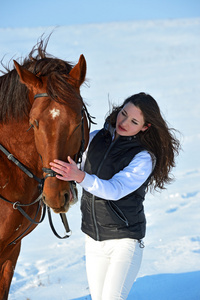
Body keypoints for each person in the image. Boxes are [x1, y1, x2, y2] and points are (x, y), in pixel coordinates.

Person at [50, 92, 180, 300]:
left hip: (124, 241)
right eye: (124, 113)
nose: (124, 122)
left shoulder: (143, 157)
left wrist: (81, 176)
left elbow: (114, 190)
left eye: (134, 121)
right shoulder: (95, 138)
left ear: (145, 127)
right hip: (93, 239)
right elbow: (76, 167)